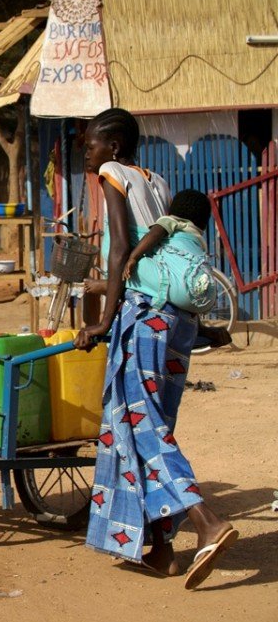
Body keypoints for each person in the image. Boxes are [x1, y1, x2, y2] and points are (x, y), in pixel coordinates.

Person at [75, 108, 236, 590]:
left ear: (114, 147)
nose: (87, 153)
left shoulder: (112, 174)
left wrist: (104, 321)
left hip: (143, 319)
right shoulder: (159, 182)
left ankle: (207, 522)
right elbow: (171, 257)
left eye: (91, 145)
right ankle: (162, 550)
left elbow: (120, 250)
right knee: (154, 426)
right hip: (175, 323)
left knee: (142, 430)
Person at [122, 189, 216, 314]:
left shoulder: (173, 221)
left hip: (180, 290)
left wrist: (134, 257)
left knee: (122, 263)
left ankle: (107, 286)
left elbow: (155, 233)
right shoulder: (198, 238)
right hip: (206, 298)